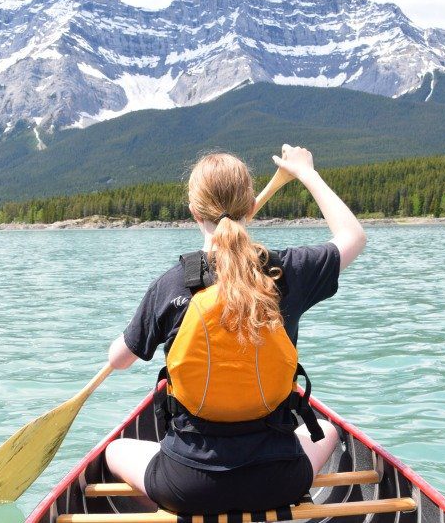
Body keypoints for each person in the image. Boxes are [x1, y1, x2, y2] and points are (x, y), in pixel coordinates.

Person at [104, 145, 368, 515]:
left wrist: (125, 341)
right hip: (278, 479)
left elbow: (119, 359)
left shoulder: (172, 286)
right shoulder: (285, 273)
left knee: (115, 450)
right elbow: (353, 236)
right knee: (330, 431)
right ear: (249, 207)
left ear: (194, 212)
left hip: (189, 485)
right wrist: (307, 173)